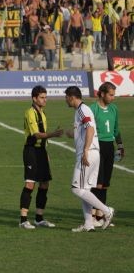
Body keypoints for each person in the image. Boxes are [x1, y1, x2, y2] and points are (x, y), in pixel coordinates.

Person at [64, 86, 114, 232]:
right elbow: (85, 130)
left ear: (72, 97)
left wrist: (85, 150)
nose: (65, 100)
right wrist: (71, 133)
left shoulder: (82, 110)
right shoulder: (81, 111)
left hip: (88, 153)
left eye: (66, 97)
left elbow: (90, 129)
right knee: (85, 189)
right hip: (93, 153)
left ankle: (107, 211)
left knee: (76, 189)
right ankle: (88, 223)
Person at [18, 86, 64, 229]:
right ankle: (23, 220)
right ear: (34, 98)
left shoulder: (43, 113)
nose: (45, 100)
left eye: (46, 97)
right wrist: (53, 134)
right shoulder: (30, 113)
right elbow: (36, 134)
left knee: (44, 183)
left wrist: (46, 153)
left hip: (42, 151)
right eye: (42, 97)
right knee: (30, 184)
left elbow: (43, 137)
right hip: (31, 151)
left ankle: (39, 218)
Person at [90, 82, 123, 227]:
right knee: (97, 183)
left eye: (114, 95)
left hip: (109, 147)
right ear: (102, 94)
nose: (113, 97)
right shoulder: (93, 109)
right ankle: (92, 216)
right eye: (111, 95)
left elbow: (116, 129)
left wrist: (120, 145)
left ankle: (100, 216)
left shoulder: (114, 109)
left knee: (105, 184)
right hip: (97, 146)